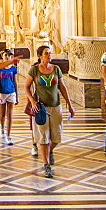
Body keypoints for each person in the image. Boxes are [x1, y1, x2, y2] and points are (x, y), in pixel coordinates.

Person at [25, 43, 75, 178]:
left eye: (50, 53)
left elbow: (62, 87)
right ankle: (46, 164)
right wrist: (32, 101)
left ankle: (49, 152)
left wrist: (69, 105)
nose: (49, 55)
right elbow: (27, 87)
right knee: (43, 136)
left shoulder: (56, 69)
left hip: (56, 106)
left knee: (57, 136)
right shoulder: (34, 70)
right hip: (41, 108)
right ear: (40, 56)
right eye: (46, 53)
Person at [0, 48, 21, 145]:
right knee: (2, 114)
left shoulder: (13, 68)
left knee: (10, 114)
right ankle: (2, 127)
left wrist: (17, 96)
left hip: (11, 92)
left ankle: (8, 135)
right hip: (2, 92)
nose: (8, 57)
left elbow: (15, 82)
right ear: (2, 56)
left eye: (9, 56)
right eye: (6, 55)